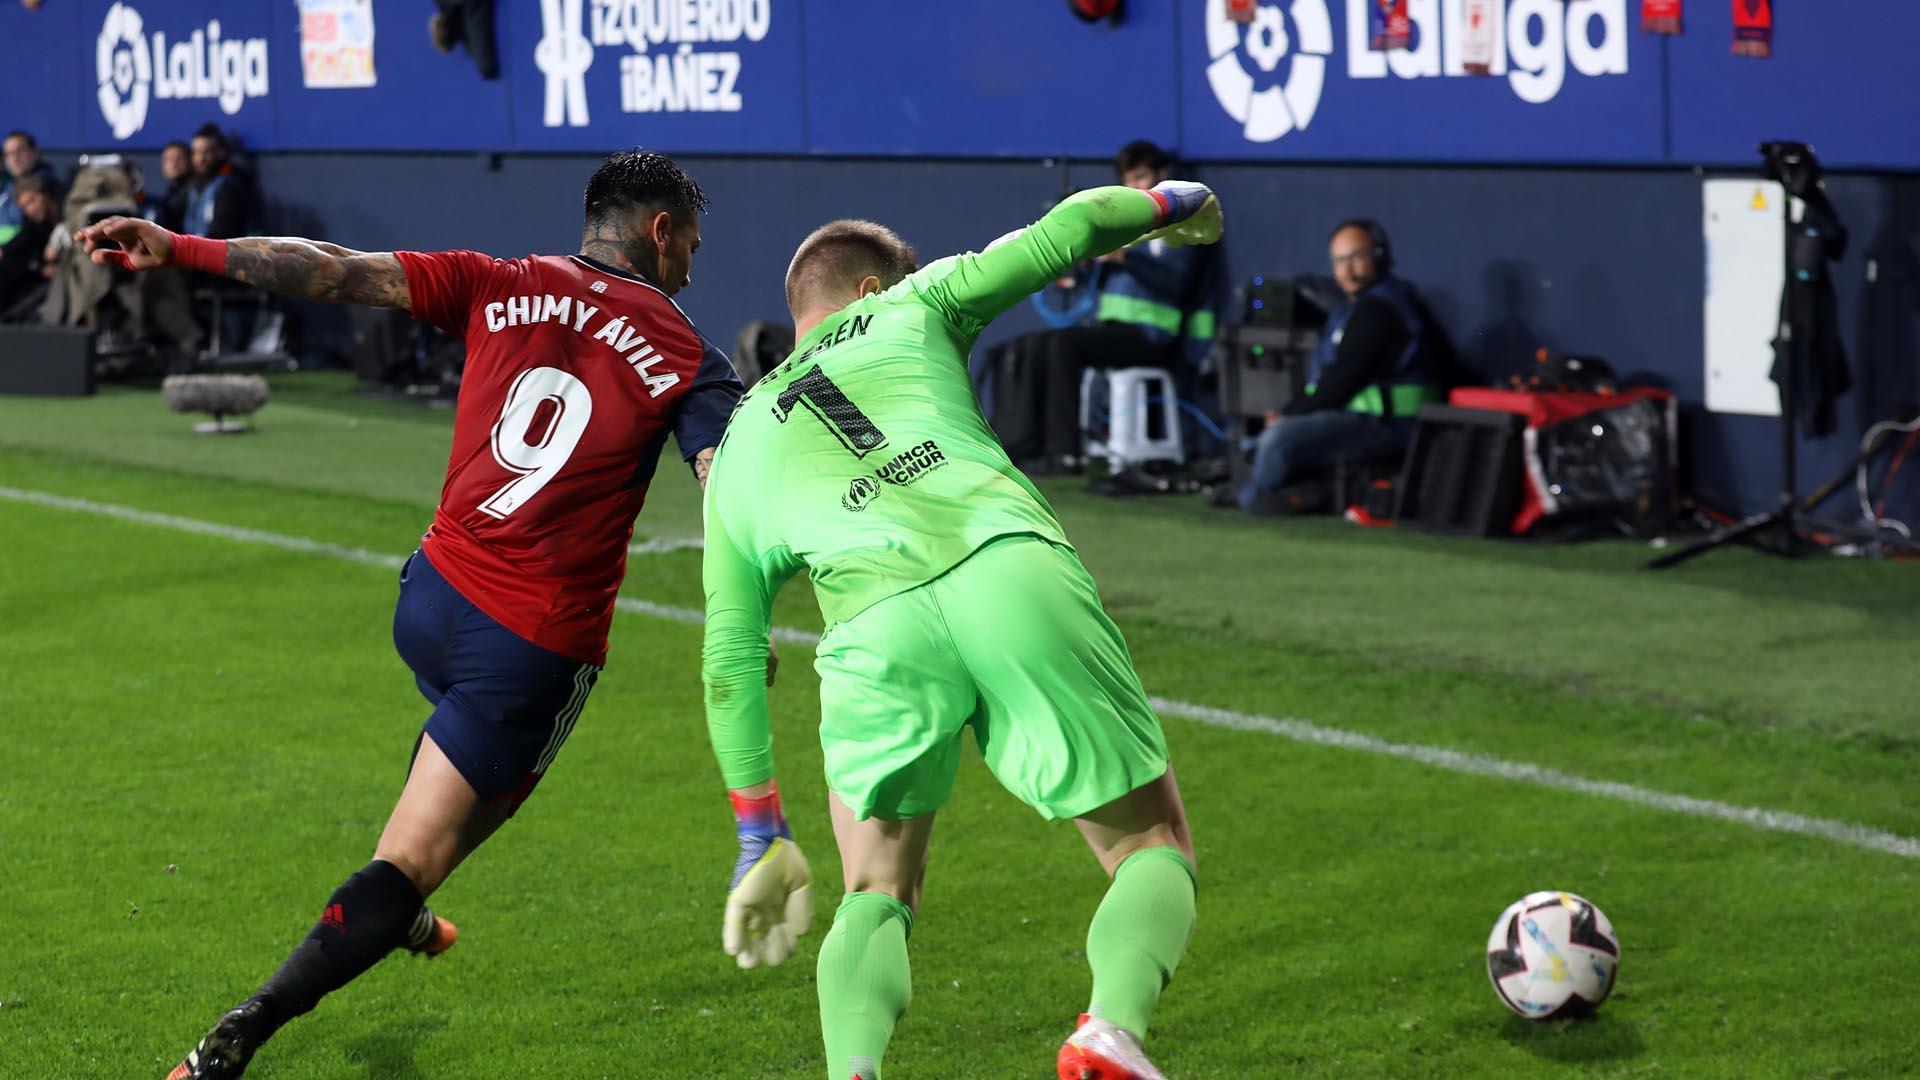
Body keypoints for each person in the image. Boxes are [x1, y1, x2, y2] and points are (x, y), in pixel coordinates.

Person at [76, 149, 745, 1080]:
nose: (691, 269)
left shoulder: (495, 281)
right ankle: (250, 1025)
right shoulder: (685, 352)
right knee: (422, 850)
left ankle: (408, 913)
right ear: (661, 231)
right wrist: (743, 620)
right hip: (530, 645)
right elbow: (733, 491)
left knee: (444, 773)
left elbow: (332, 268)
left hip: (429, 596)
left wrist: (179, 246)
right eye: (691, 248)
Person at [700, 182, 1219, 1080]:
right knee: (1149, 847)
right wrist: (1179, 203)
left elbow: (730, 659)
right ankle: (1111, 1030)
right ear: (869, 290)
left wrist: (760, 832)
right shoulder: (916, 301)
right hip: (1005, 570)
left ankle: (855, 1069)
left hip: (874, 631)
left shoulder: (739, 444)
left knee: (876, 890)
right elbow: (1077, 227)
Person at [1014, 140, 1221, 472]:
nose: (1135, 187)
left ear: (1161, 174)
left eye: (1142, 177)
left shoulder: (1184, 223)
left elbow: (1177, 285)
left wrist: (1124, 257)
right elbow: (1089, 274)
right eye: (1130, 180)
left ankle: (1066, 454)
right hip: (1114, 330)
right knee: (1040, 343)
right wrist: (1084, 263)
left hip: (1155, 338)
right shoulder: (1124, 222)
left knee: (1064, 346)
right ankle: (1028, 444)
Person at [1230, 218, 1444, 511]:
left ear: (1378, 256)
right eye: (1339, 261)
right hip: (1361, 418)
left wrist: (1288, 415)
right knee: (1260, 440)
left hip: (1389, 426)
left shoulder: (1381, 310)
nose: (1347, 269)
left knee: (1279, 439)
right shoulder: (1356, 305)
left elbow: (1342, 381)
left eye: (1356, 257)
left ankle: (1254, 499)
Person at [0, 173, 57, 318]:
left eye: (32, 201)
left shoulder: (67, 212)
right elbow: (22, 241)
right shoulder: (33, 221)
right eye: (24, 207)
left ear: (44, 194)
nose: (29, 210)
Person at [183, 124, 254, 240]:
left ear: (220, 153)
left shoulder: (229, 187)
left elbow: (222, 233)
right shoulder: (191, 186)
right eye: (196, 152)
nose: (201, 159)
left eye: (206, 152)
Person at [1, 129, 58, 239]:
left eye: (19, 151)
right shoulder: (8, 187)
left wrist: (5, 250)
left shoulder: (45, 186)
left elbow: (34, 233)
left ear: (34, 152)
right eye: (8, 154)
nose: (14, 158)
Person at [156, 140, 193, 231]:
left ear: (190, 160)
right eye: (169, 159)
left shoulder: (196, 191)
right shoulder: (169, 193)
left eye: (179, 158)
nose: (174, 164)